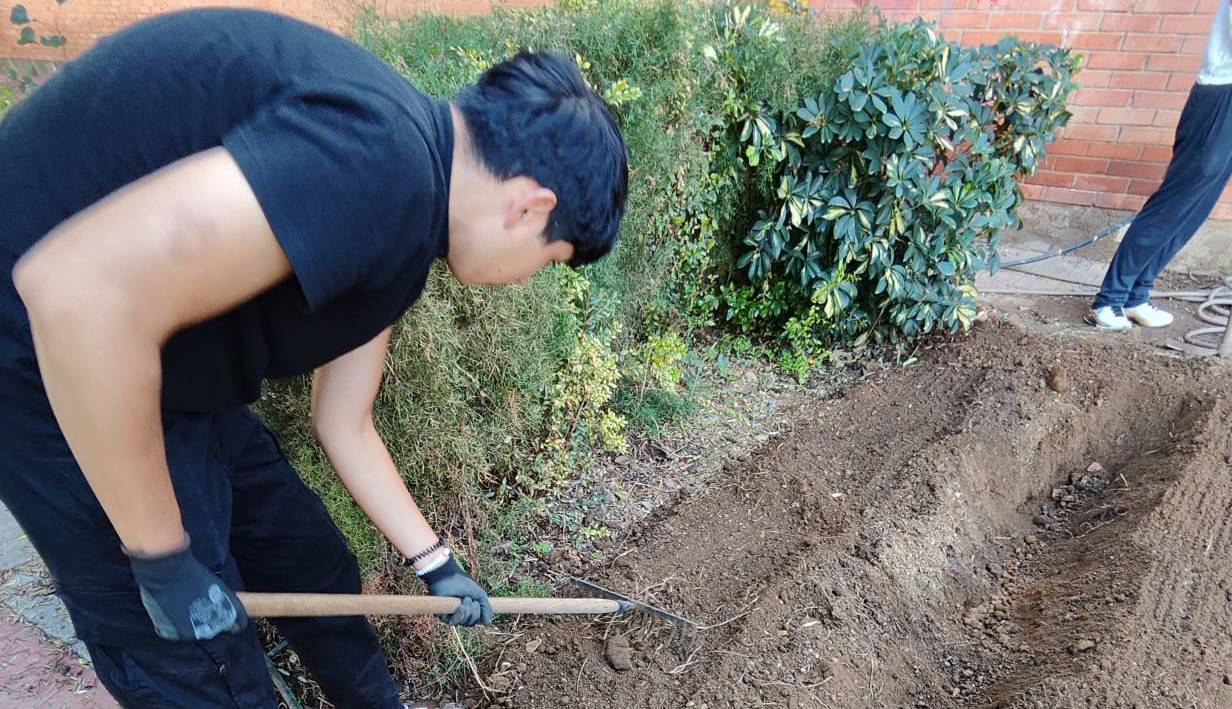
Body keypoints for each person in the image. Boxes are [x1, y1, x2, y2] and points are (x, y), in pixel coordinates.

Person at [0, 8, 627, 708]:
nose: (525, 278)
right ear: (529, 209)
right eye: (550, 258)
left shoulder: (407, 201)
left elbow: (344, 420)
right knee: (206, 669)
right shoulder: (378, 164)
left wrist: (437, 564)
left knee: (310, 562)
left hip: (168, 372)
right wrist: (160, 558)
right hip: (53, 372)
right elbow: (76, 294)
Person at [1086, 0, 1232, 331]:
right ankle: (1110, 299)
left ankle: (1136, 296)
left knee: (1194, 212)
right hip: (1221, 96)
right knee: (1173, 205)